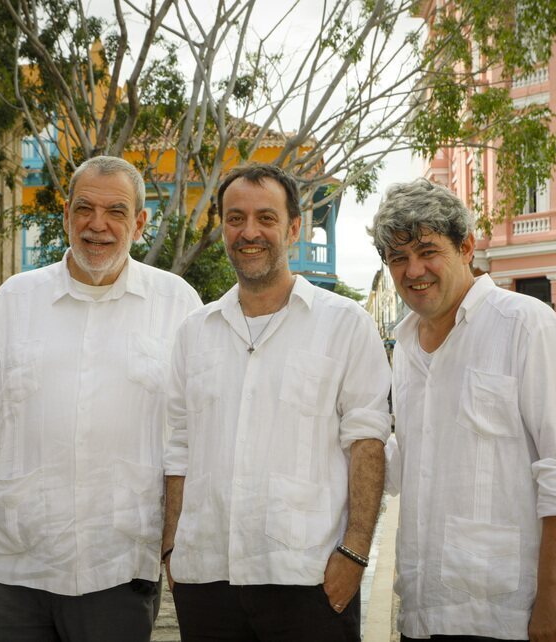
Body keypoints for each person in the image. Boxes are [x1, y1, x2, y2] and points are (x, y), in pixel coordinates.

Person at [0, 156, 201, 642]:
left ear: (140, 223)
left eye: (116, 211)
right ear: (66, 214)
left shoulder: (179, 305)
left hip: (118, 569)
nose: (97, 225)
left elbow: (190, 439)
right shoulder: (15, 300)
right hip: (8, 569)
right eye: (85, 208)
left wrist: (171, 547)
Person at [368, 178, 556, 642]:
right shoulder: (404, 346)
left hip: (506, 613)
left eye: (427, 250)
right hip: (422, 610)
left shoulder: (524, 324)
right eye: (398, 258)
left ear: (466, 247)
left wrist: (554, 594)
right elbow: (408, 461)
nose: (414, 269)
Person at [161, 163, 392, 642]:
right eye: (235, 218)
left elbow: (367, 443)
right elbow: (179, 447)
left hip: (308, 579)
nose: (249, 232)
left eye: (266, 218)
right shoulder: (193, 333)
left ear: (292, 228)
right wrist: (172, 550)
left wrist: (354, 554)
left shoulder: (344, 324)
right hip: (206, 579)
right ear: (222, 226)